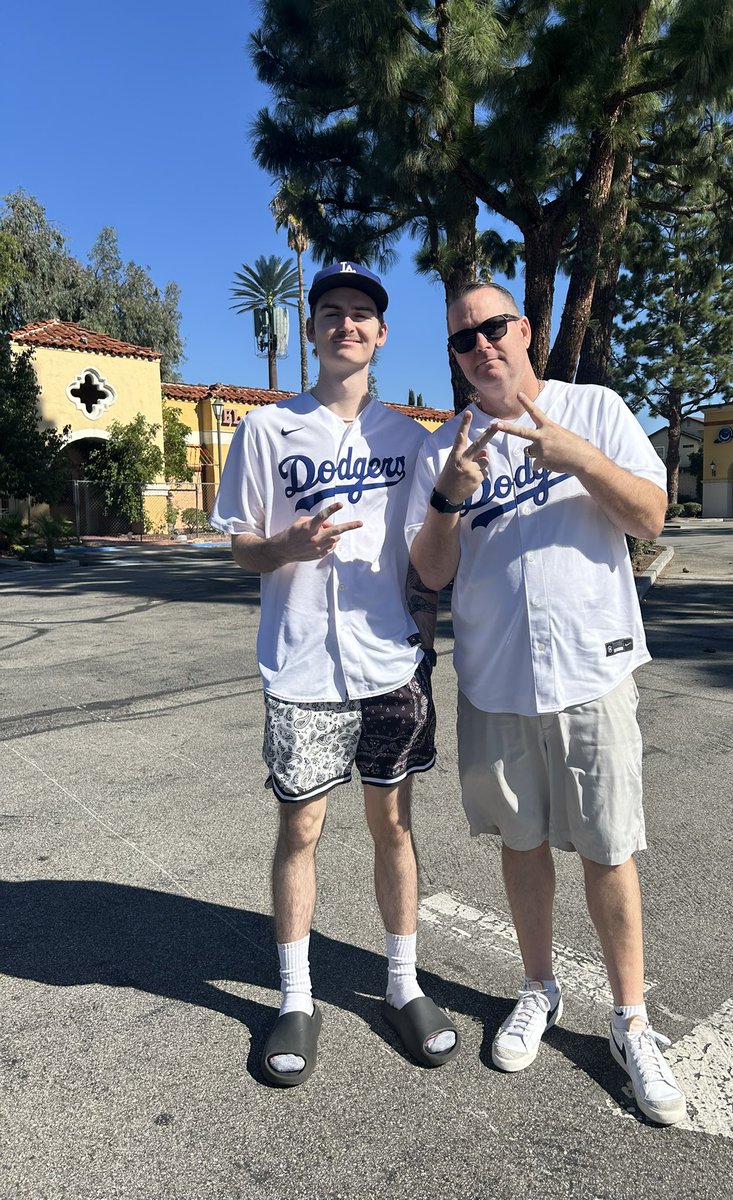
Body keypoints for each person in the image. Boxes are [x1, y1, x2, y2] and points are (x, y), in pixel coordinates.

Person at [406, 282, 686, 1124]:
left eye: (495, 327)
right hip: (494, 680)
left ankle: (632, 1020)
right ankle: (539, 989)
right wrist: (451, 498)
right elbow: (431, 573)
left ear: (524, 331)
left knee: (608, 847)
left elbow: (654, 517)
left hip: (591, 672)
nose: (481, 345)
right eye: (464, 339)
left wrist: (582, 460)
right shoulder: (443, 446)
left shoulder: (592, 408)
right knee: (522, 843)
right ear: (454, 357)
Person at [211, 262, 459, 1087]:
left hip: (392, 666)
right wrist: (288, 546)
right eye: (332, 313)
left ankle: (401, 985)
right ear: (310, 330)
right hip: (302, 670)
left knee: (395, 828)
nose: (347, 325)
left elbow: (428, 552)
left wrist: (422, 637)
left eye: (362, 314)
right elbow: (242, 545)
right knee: (302, 831)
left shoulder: (410, 440)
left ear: (382, 334)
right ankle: (295, 998)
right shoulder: (265, 431)